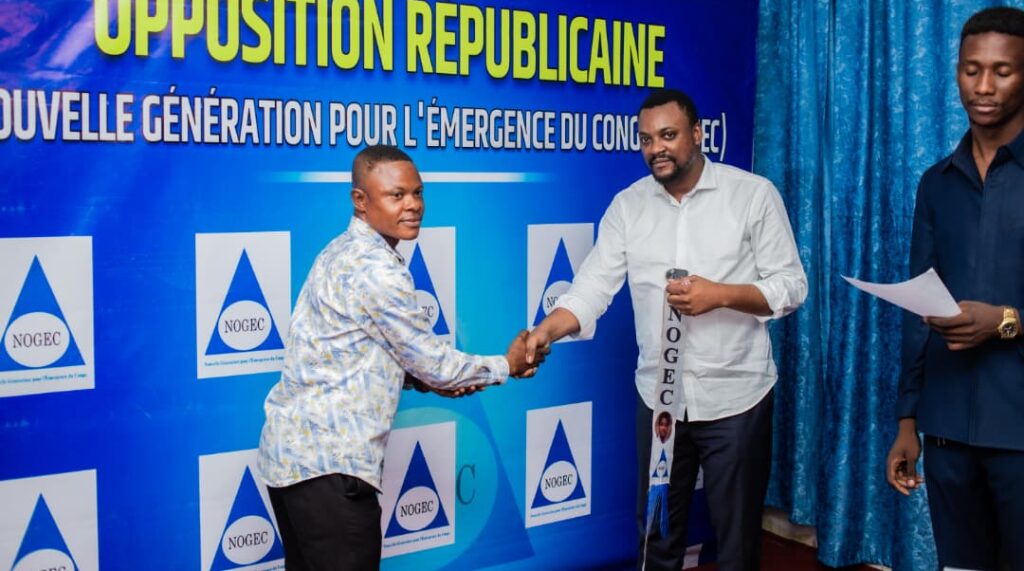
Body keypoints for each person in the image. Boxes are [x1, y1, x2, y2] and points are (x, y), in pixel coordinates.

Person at [526, 89, 807, 571]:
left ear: (697, 134)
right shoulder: (628, 206)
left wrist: (720, 294)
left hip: (736, 399)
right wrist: (545, 332)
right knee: (656, 536)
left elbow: (791, 286)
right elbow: (591, 287)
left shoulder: (752, 195)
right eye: (646, 139)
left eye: (669, 135)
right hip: (660, 404)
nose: (656, 148)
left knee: (738, 544)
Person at [256, 144, 546, 571]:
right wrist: (508, 365)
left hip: (293, 462)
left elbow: (351, 350)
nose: (413, 205)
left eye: (418, 193)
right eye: (396, 195)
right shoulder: (376, 268)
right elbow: (437, 365)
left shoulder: (340, 251)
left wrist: (420, 378)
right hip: (329, 470)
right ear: (360, 200)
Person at [886, 6, 1024, 571]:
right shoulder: (935, 183)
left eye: (1002, 71)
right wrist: (907, 422)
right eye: (971, 70)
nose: (983, 86)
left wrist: (1006, 320)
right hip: (946, 430)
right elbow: (920, 305)